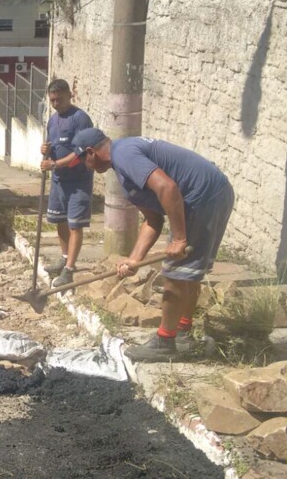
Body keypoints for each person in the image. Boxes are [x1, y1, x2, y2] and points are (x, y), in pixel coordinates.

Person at [70, 128, 235, 362]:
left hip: (202, 197)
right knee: (189, 273)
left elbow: (168, 188)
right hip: (212, 194)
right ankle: (182, 334)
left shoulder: (124, 154)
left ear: (91, 152)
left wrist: (179, 238)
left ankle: (165, 342)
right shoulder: (124, 168)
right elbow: (153, 220)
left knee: (177, 273)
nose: (85, 167)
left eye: (83, 160)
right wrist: (134, 259)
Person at [38, 79, 94, 288]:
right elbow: (52, 146)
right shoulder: (53, 120)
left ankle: (69, 269)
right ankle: (64, 257)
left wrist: (54, 164)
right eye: (52, 100)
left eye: (58, 99)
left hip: (78, 182)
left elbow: (79, 154)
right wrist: (45, 151)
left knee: (75, 224)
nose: (55, 104)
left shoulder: (80, 119)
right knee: (59, 220)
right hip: (59, 181)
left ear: (70, 95)